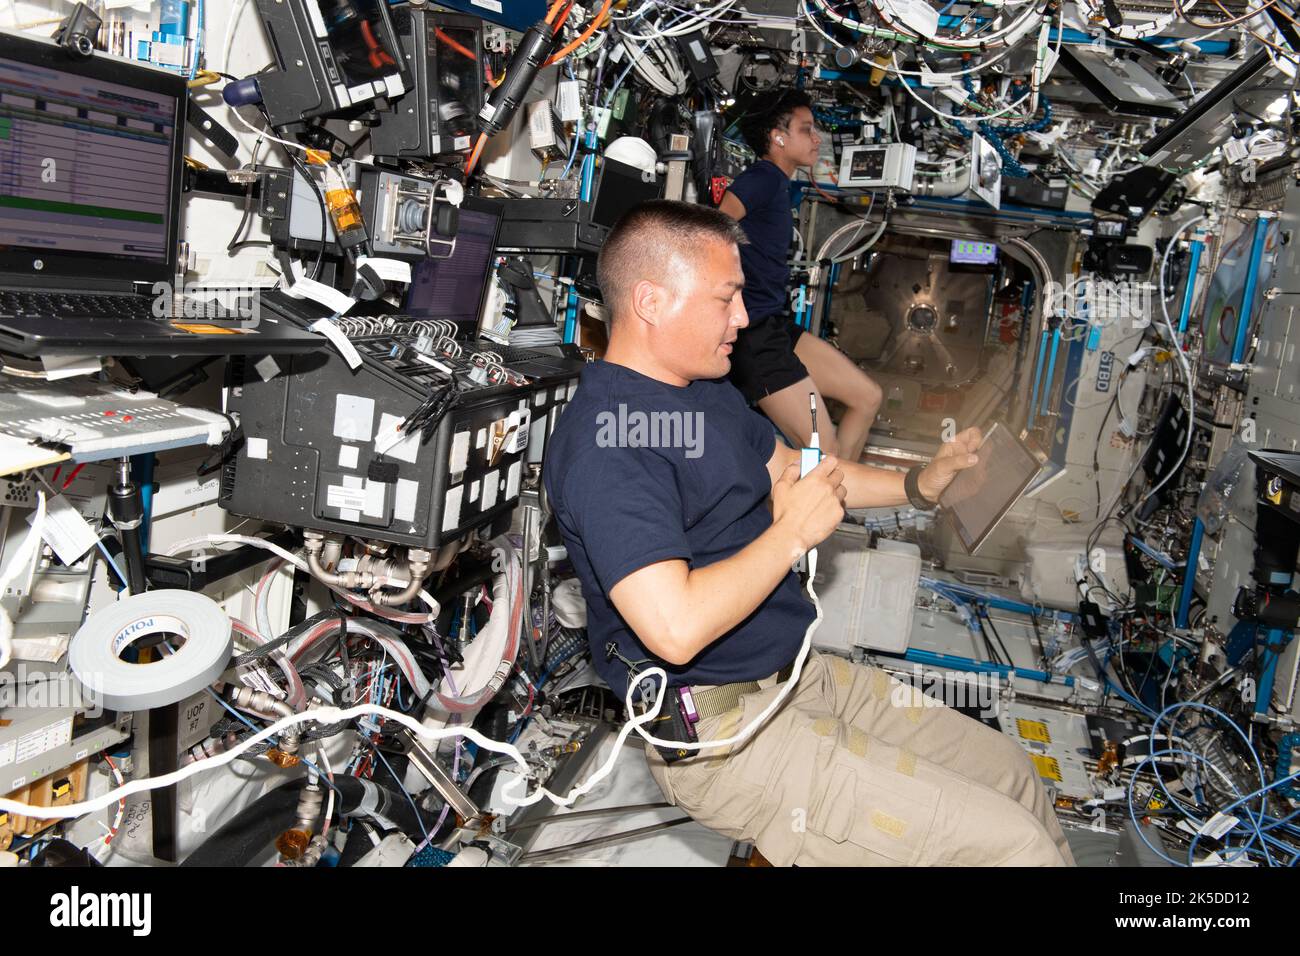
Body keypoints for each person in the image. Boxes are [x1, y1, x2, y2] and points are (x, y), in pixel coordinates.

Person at [543, 200, 1076, 866]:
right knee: (1014, 852)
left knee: (1011, 773)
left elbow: (800, 469)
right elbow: (672, 626)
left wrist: (919, 485)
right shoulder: (608, 443)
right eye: (726, 298)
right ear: (651, 301)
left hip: (796, 679)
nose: (743, 317)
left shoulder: (700, 395)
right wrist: (789, 537)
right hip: (726, 735)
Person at [719, 90, 882, 463]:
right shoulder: (762, 178)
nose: (816, 138)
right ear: (778, 137)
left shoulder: (780, 185)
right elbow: (716, 228)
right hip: (754, 336)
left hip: (775, 325)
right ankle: (812, 503)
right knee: (822, 455)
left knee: (867, 397)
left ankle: (842, 495)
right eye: (806, 129)